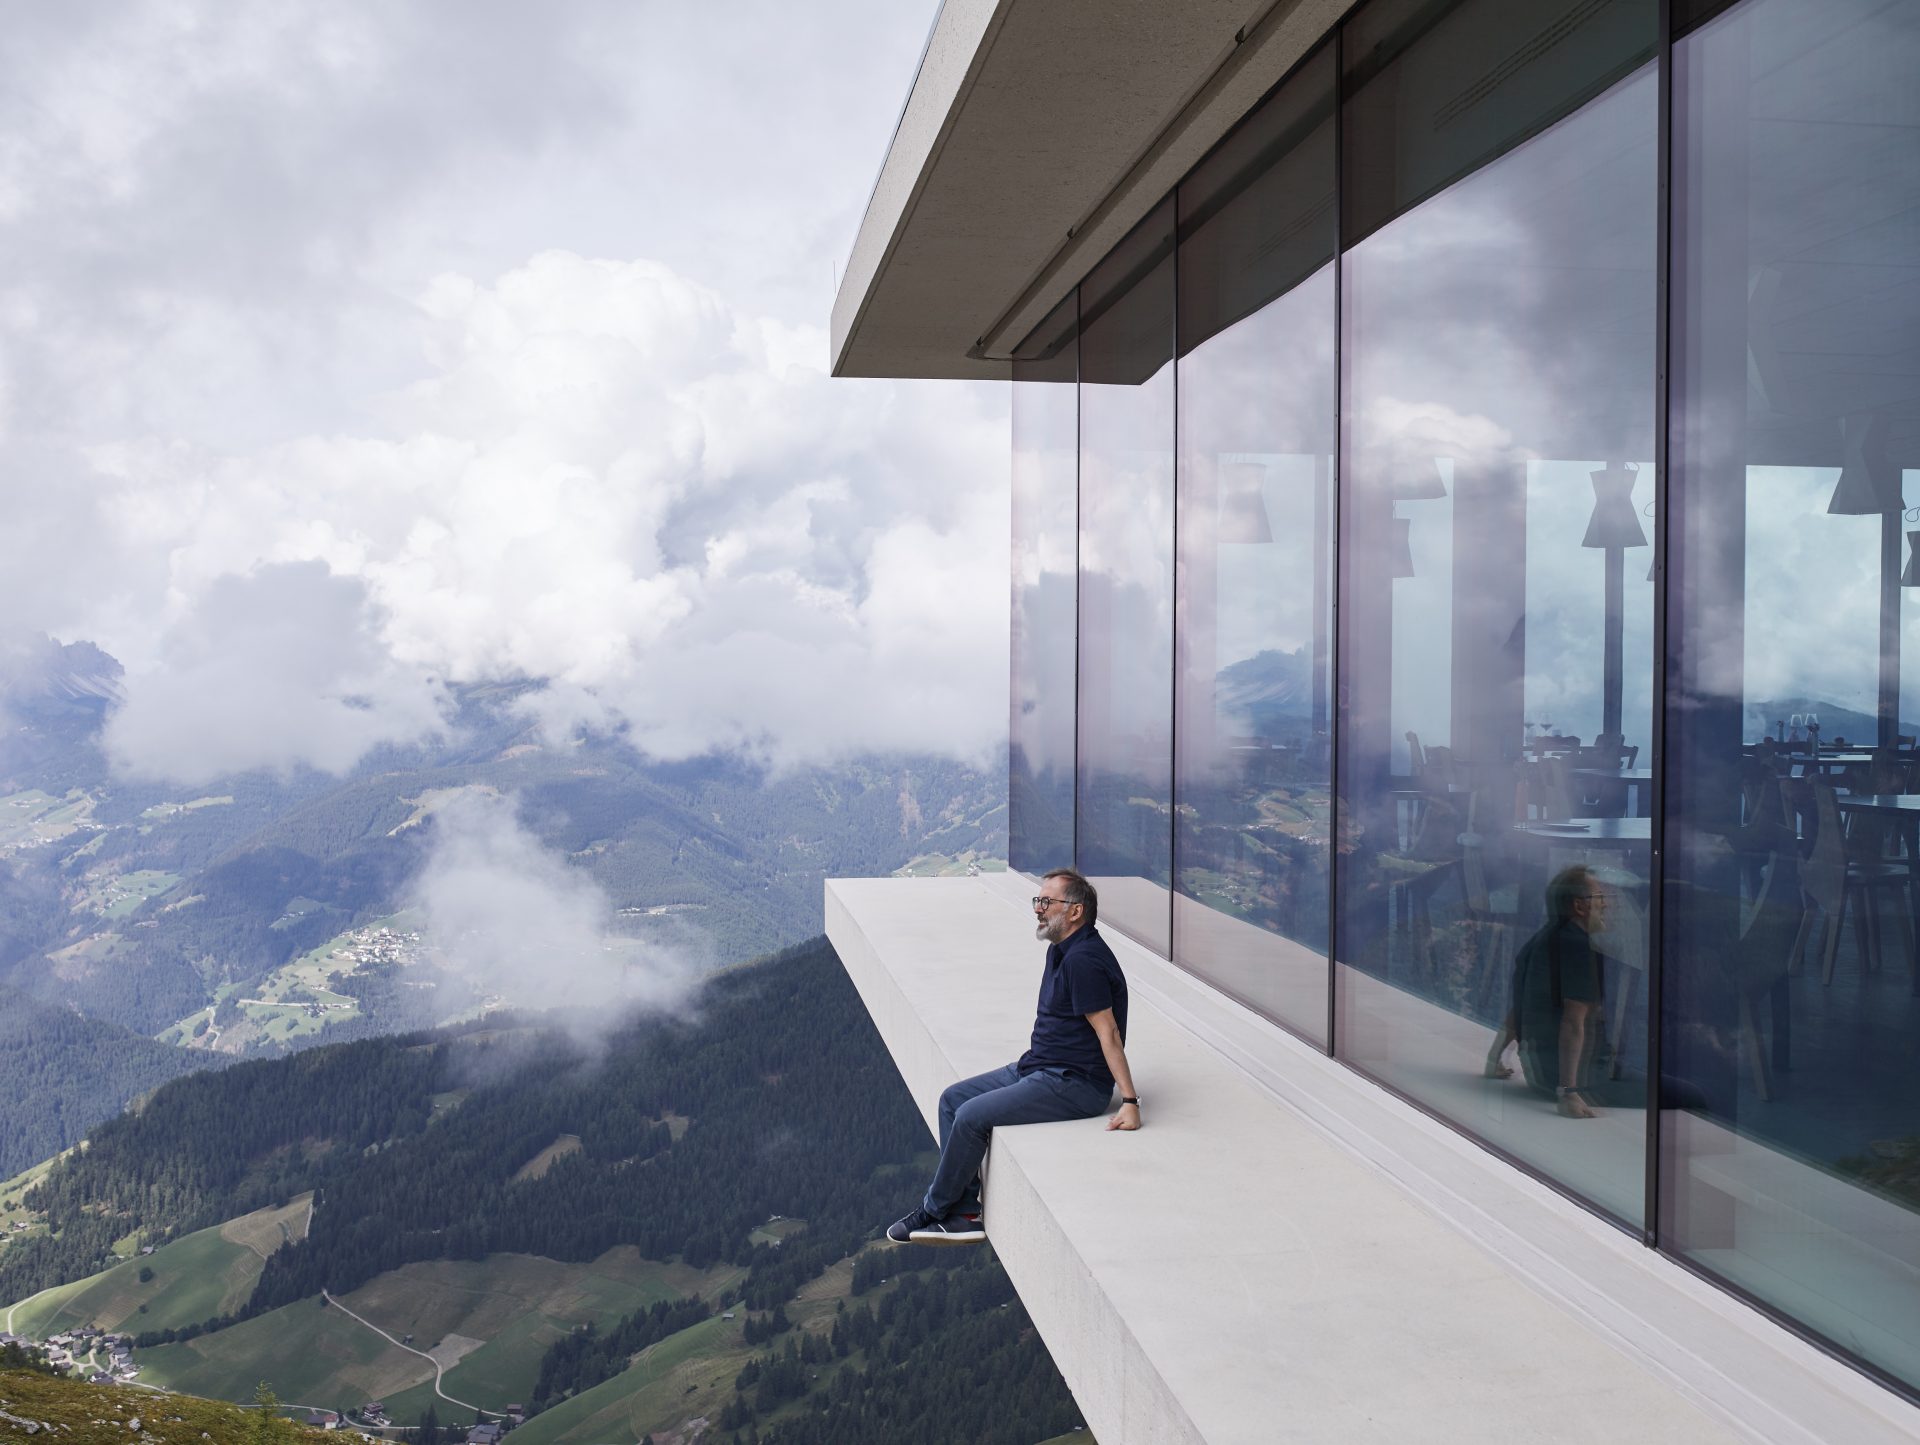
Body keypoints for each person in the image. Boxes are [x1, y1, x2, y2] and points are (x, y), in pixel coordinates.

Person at [885, 867, 1140, 1245]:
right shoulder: (1062, 949)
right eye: (1037, 900)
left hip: (1074, 1083)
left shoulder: (1083, 960)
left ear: (1075, 911)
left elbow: (1109, 1032)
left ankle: (933, 1211)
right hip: (1038, 1066)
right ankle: (966, 1212)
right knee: (952, 1100)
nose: (1038, 909)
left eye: (1046, 902)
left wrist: (1130, 1101)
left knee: (971, 1117)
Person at [1496, 865, 1616, 1118]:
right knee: (1688, 1095)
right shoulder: (1581, 950)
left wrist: (1494, 1057)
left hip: (1537, 1070)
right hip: (1576, 1078)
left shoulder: (1542, 939)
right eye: (1600, 898)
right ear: (1579, 906)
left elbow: (1521, 1006)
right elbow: (1572, 1023)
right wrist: (1569, 1092)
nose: (1606, 905)